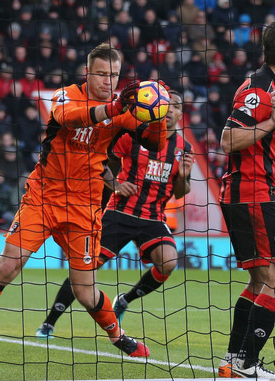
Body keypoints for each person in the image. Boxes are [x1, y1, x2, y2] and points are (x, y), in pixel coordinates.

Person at [0, 43, 167, 363]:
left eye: (114, 75)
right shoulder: (66, 95)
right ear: (88, 72)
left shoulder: (124, 111)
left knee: (85, 291)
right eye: (101, 74)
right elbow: (70, 119)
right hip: (43, 197)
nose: (108, 81)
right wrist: (114, 109)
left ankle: (118, 336)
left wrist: (159, 111)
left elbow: (155, 143)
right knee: (8, 265)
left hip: (85, 207)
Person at [34, 90, 193, 338]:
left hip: (153, 218)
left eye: (175, 106)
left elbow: (181, 192)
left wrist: (184, 176)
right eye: (167, 105)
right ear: (156, 109)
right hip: (120, 212)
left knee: (169, 261)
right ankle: (50, 322)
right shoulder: (134, 136)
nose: (170, 110)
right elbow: (103, 163)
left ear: (181, 113)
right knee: (86, 269)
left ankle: (125, 300)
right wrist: (117, 184)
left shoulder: (184, 148)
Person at [217, 22, 275, 379]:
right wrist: (271, 123)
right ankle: (247, 363)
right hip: (251, 192)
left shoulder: (272, 86)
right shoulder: (259, 90)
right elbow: (227, 140)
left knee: (259, 282)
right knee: (273, 282)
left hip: (255, 191)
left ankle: (232, 360)